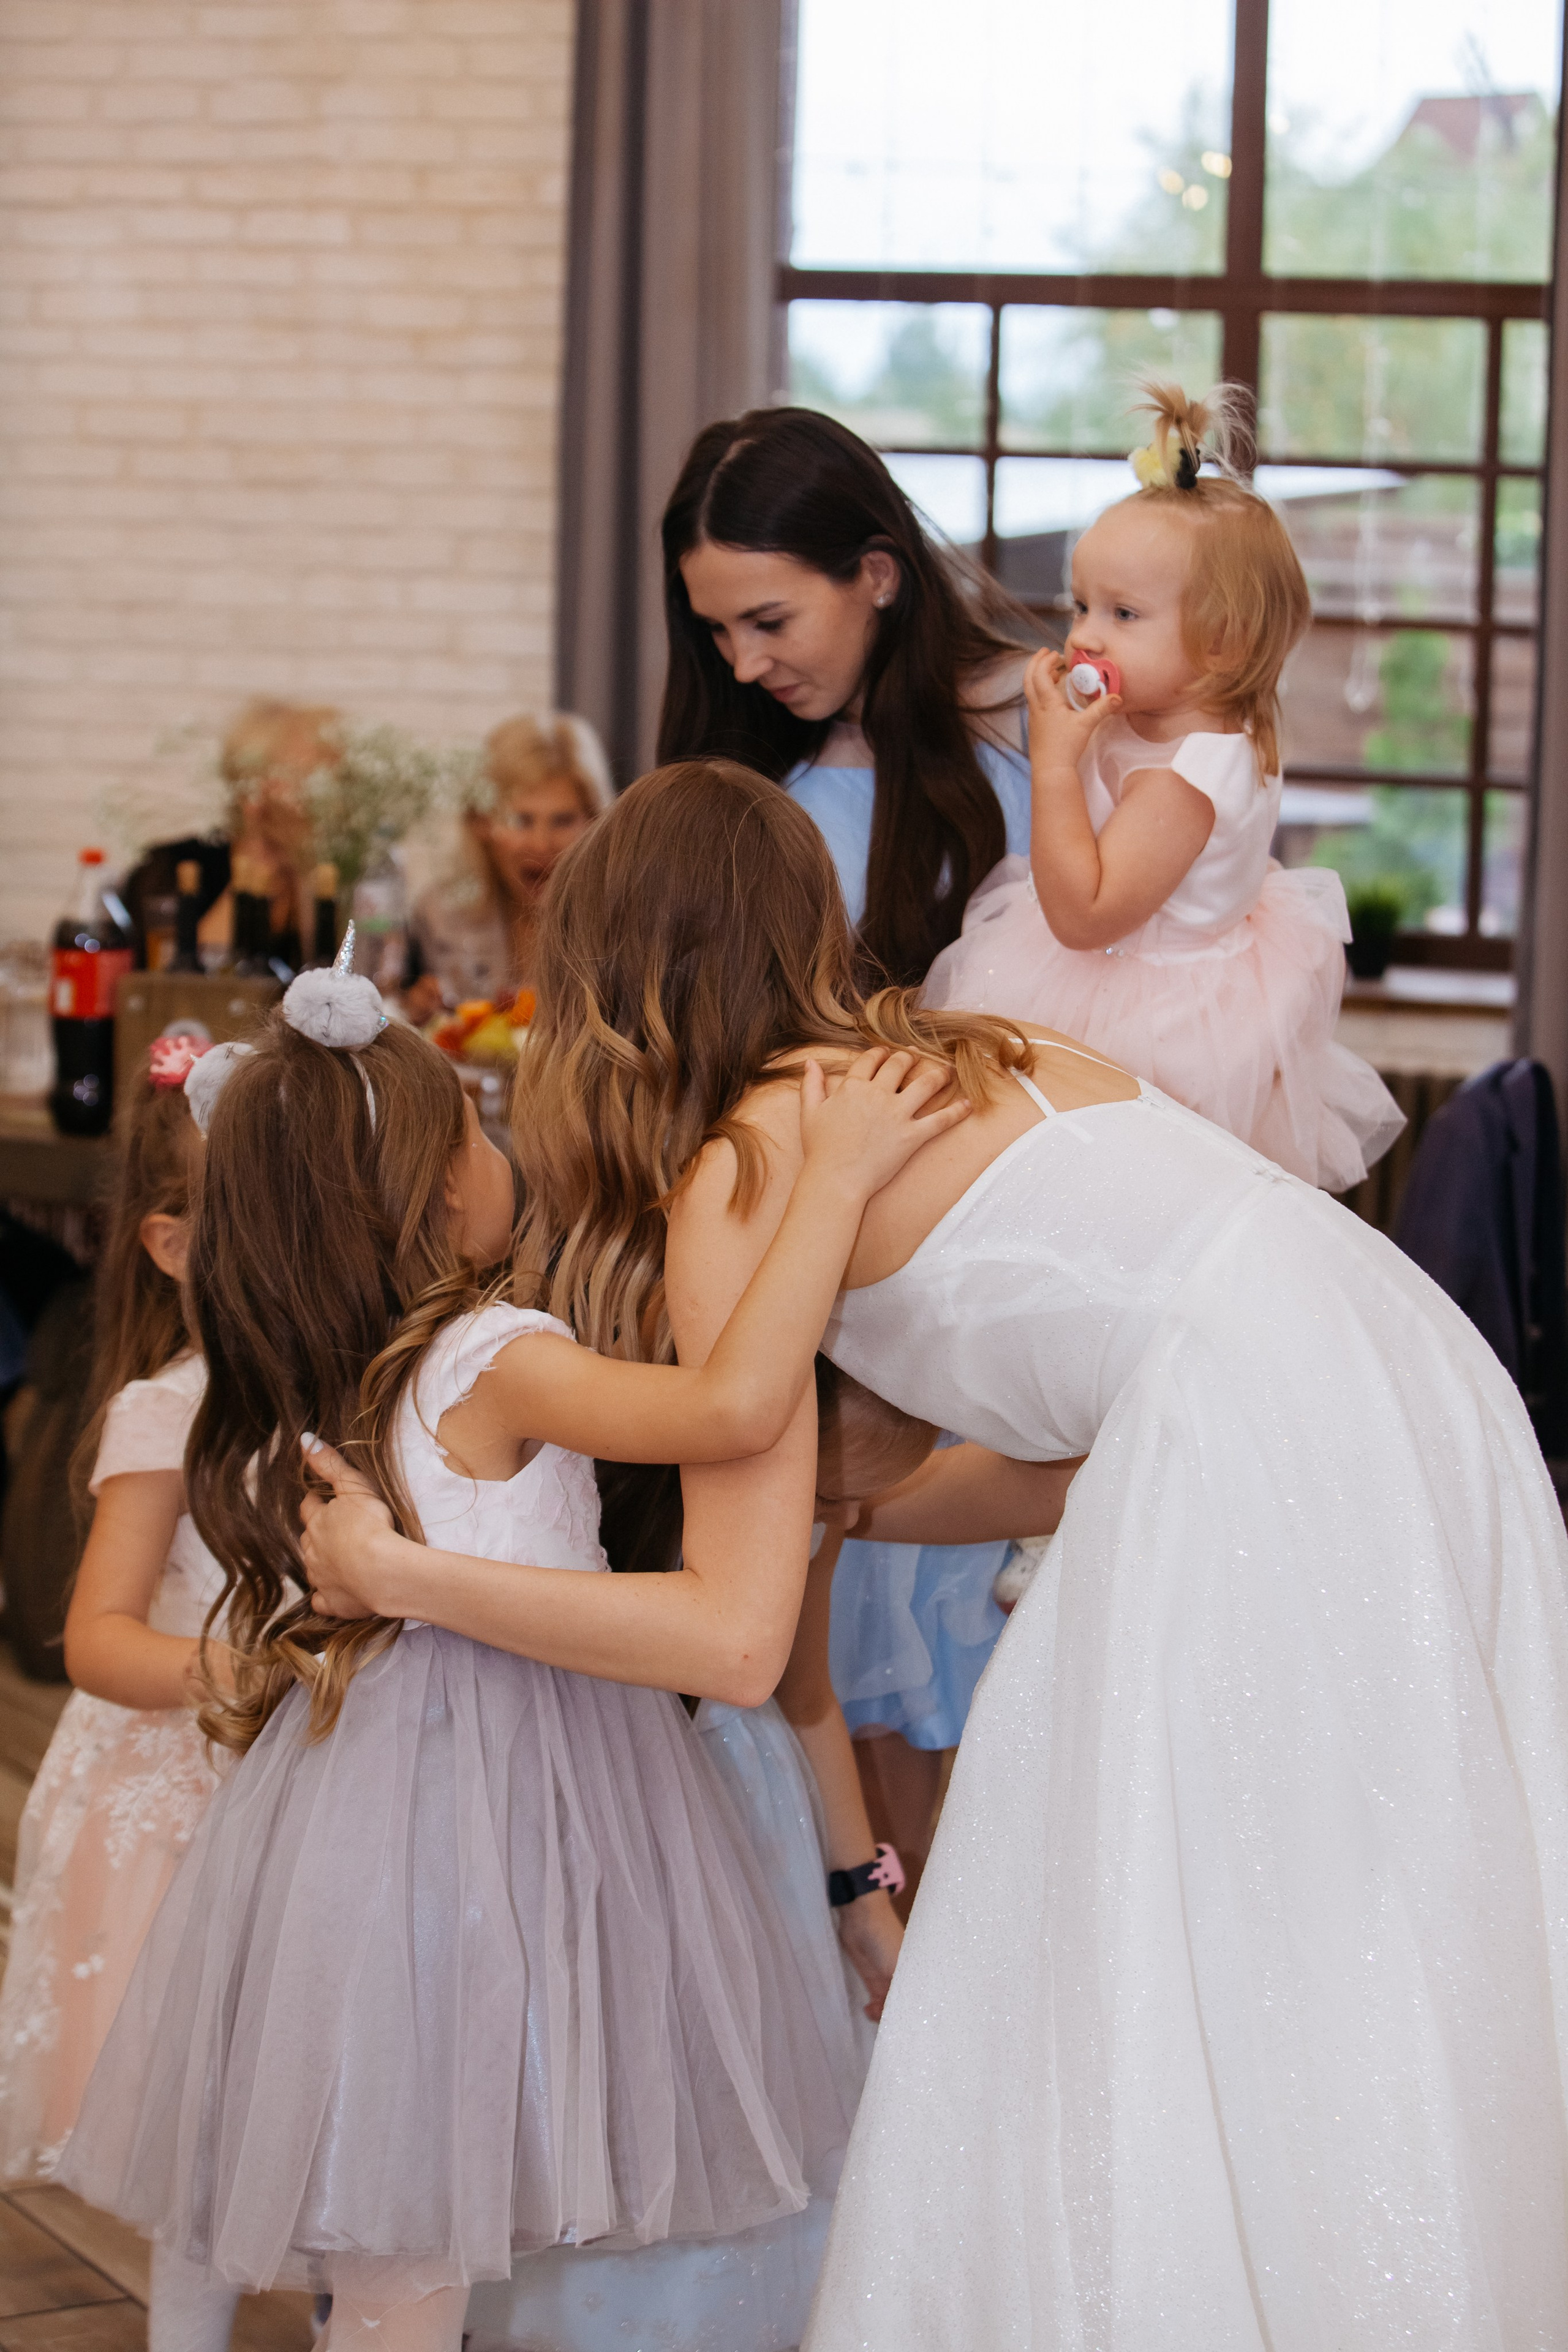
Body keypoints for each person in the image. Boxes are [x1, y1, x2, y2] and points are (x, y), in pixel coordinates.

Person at [297, 761, 1568, 2350]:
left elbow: (738, 1640)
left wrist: (415, 1579)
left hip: (1263, 1426)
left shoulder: (751, 1171)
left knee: (1139, 1955)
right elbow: (1059, 1451)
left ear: (608, 973)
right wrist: (851, 1500)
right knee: (1350, 1923)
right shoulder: (991, 1053)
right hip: (1423, 1379)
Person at [60, 952, 970, 2352]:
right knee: (451, 2193)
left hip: (370, 1796)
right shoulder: (494, 1353)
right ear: (433, 1187)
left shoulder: (341, 1366)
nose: (499, 1145)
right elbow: (729, 1403)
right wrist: (832, 1186)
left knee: (402, 2210)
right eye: (475, 1126)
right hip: (519, 1790)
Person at [659, 405, 1038, 1856]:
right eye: (717, 635)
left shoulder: (1040, 749)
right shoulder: (788, 807)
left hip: (1014, 1280)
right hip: (859, 1293)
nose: (745, 664)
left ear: (876, 573)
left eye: (766, 619)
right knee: (875, 1711)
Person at [926, 382, 1403, 1192]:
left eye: (1123, 614)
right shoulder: (1162, 711)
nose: (1084, 634)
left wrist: (1053, 764)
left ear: (1222, 644)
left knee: (1108, 1188)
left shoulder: (1185, 781)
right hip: (1128, 967)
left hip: (1151, 1020)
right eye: (1083, 604)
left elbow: (1082, 916)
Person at [0, 1036, 243, 2348]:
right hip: (182, 1799)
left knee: (322, 2080)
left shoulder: (379, 1397)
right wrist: (238, 1674)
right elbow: (94, 1641)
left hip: (321, 1797)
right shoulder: (169, 1413)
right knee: (197, 2134)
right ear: (170, 1245)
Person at [404, 712, 612, 1018]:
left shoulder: (620, 924)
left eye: (564, 820)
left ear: (595, 823)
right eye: (520, 821)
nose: (542, 845)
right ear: (481, 822)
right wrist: (417, 1010)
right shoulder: (439, 915)